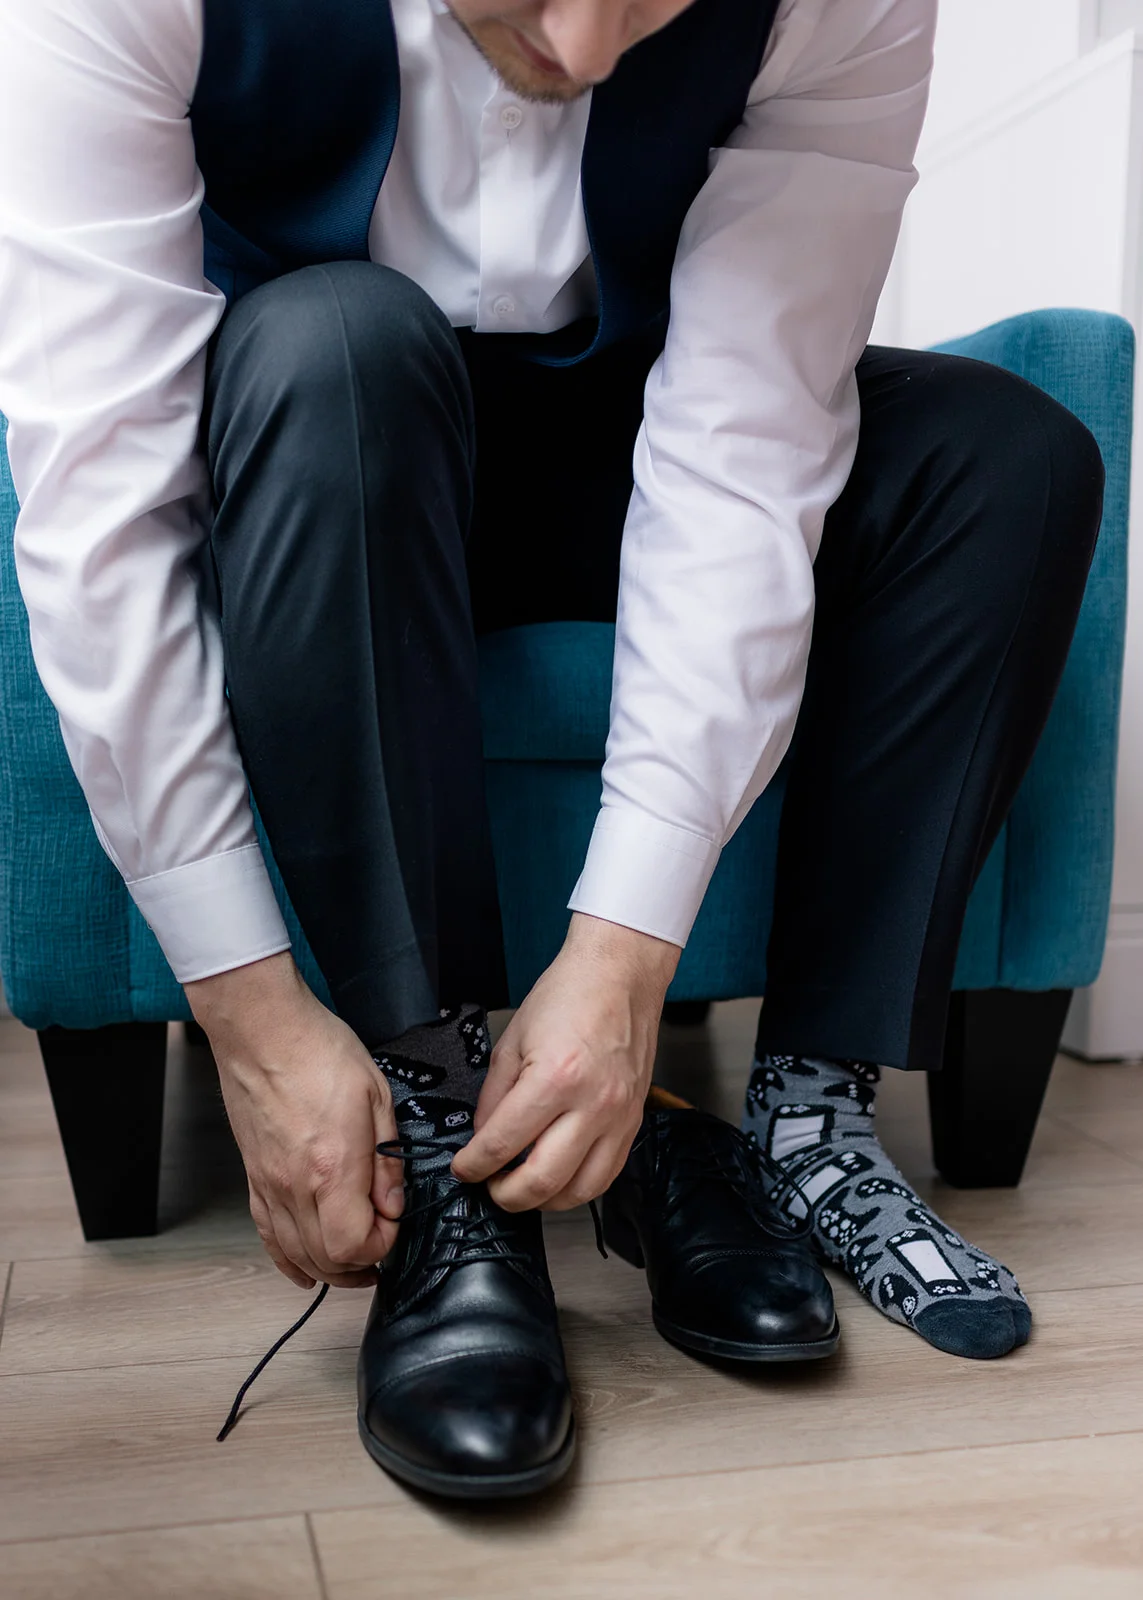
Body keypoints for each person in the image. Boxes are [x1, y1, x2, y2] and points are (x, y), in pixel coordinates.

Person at [0, 0, 1103, 1500]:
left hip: (634, 445)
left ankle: (802, 1123)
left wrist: (623, 956)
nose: (585, 54)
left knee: (1004, 452)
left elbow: (744, 440)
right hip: (319, 463)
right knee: (336, 337)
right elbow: (102, 503)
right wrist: (252, 1020)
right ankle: (443, 1111)